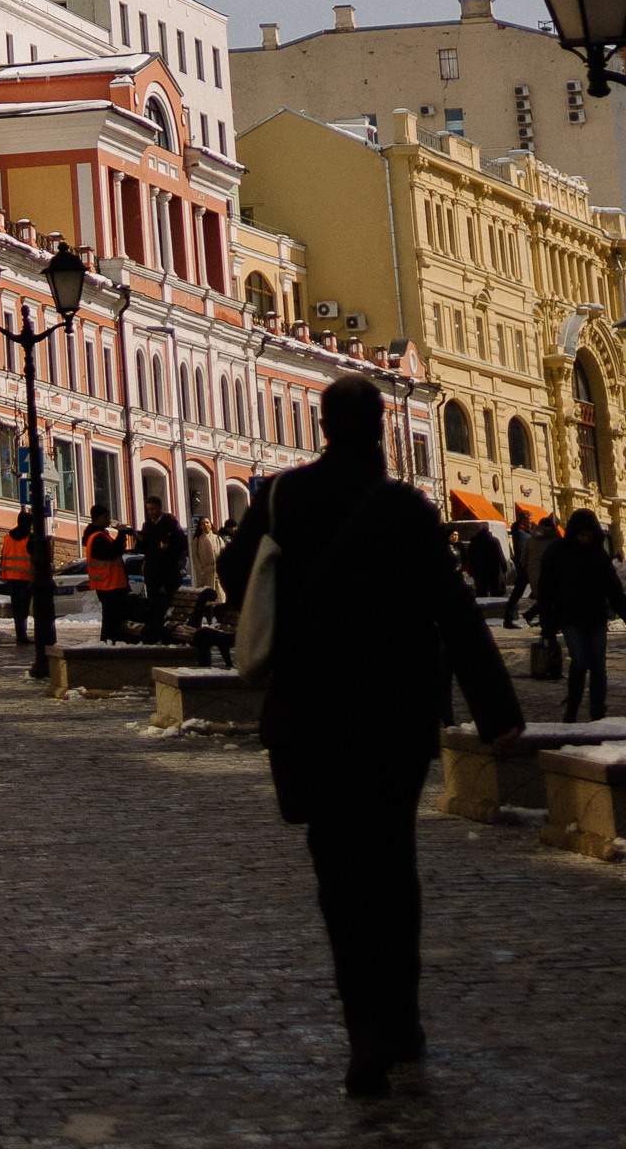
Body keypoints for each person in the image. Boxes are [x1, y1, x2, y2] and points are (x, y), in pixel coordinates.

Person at [218, 374, 519, 1098]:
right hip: (393, 718)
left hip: (311, 720)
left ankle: (366, 1033)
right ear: (381, 428)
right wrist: (497, 710)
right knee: (392, 864)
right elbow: (454, 609)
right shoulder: (405, 508)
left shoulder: (282, 497)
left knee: (341, 876)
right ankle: (402, 1020)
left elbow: (232, 571)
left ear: (322, 427)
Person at [536, 508, 625, 723]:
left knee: (598, 666)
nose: (585, 539)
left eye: (589, 535)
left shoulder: (599, 556)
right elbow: (546, 588)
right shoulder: (557, 553)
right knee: (580, 661)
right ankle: (573, 707)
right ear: (574, 533)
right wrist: (547, 621)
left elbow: (613, 590)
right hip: (570, 618)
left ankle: (598, 713)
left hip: (596, 618)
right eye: (582, 535)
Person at [136, 501, 186, 644]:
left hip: (168, 572)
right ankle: (155, 635)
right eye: (148, 509)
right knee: (154, 606)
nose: (151, 512)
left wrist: (168, 548)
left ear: (159, 507)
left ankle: (167, 635)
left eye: (153, 508)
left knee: (166, 605)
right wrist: (141, 540)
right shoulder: (147, 525)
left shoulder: (170, 523)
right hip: (152, 574)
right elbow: (141, 550)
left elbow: (182, 544)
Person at [84, 515, 130, 643]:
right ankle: (110, 640)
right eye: (105, 517)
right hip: (109, 583)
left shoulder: (98, 535)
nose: (108, 520)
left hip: (107, 583)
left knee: (110, 616)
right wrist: (121, 534)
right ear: (97, 518)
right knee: (112, 617)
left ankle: (109, 640)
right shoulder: (98, 537)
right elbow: (113, 552)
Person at [0, 511, 35, 647]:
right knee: (23, 609)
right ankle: (22, 635)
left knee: (16, 609)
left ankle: (20, 635)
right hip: (25, 579)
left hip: (11, 579)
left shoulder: (7, 538)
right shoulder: (30, 538)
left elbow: (3, 557)